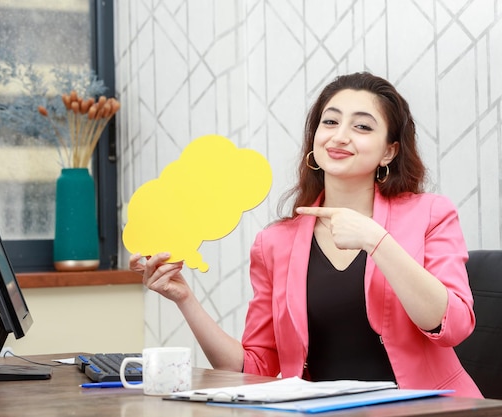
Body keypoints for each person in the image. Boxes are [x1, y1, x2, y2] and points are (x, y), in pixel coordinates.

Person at [129, 72, 483, 398]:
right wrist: (184, 298)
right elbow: (254, 367)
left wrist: (376, 241)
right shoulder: (274, 243)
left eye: (362, 127)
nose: (340, 135)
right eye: (329, 121)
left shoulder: (431, 213)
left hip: (431, 409)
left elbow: (452, 325)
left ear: (389, 151)